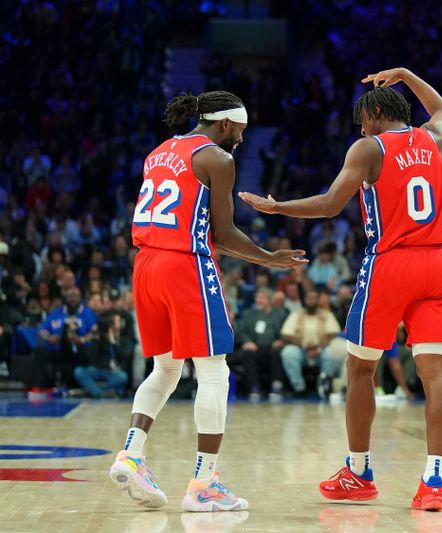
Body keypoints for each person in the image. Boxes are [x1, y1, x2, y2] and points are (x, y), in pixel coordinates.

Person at [240, 67, 442, 511]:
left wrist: (279, 208)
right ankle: (433, 481)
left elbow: (329, 204)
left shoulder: (369, 148)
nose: (359, 129)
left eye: (363, 120)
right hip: (438, 263)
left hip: (391, 264)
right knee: (436, 375)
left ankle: (358, 472)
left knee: (361, 369)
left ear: (377, 112)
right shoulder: (431, 139)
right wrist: (407, 75)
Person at [109, 90, 307, 512]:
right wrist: (269, 259)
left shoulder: (159, 152)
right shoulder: (218, 158)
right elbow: (222, 234)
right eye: (240, 130)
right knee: (214, 372)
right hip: (184, 267)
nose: (241, 138)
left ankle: (131, 451)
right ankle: (204, 483)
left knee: (165, 369)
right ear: (223, 125)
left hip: (145, 265)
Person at [278, 289, 343, 395]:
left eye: (314, 298)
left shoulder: (327, 315)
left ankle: (323, 385)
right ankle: (299, 388)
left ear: (318, 300)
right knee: (288, 352)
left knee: (332, 352)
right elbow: (286, 335)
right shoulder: (296, 314)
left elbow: (333, 334)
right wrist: (304, 346)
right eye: (309, 298)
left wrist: (318, 347)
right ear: (304, 300)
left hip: (321, 350)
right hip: (301, 350)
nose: (311, 301)